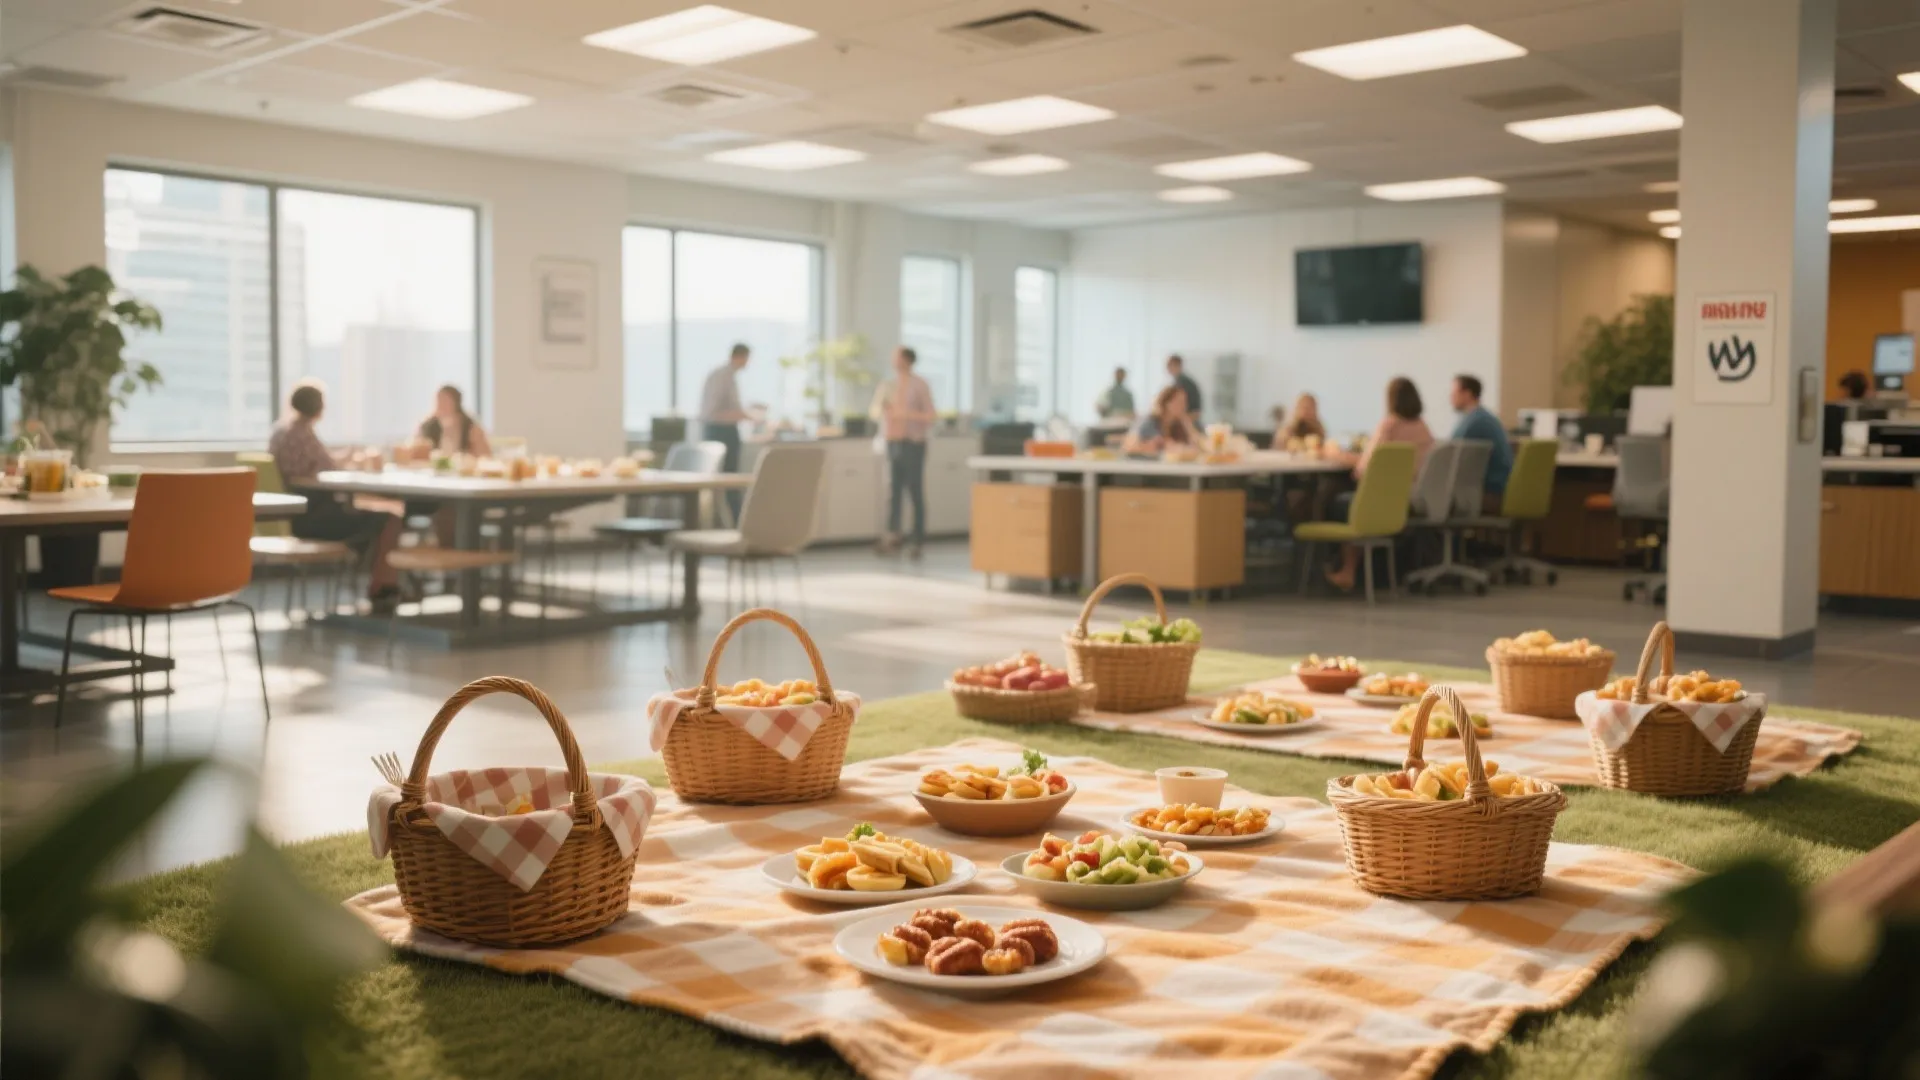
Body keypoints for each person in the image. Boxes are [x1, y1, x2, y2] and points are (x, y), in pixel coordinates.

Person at [267, 380, 404, 609]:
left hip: (293, 515)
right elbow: (330, 467)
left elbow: (317, 465)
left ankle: (377, 582)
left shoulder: (281, 430)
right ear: (319, 408)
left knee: (374, 513)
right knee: (390, 518)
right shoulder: (302, 432)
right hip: (313, 516)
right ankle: (382, 588)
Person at [1320, 376, 1434, 592]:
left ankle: (1346, 570)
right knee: (1354, 503)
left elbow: (1364, 469)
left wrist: (1338, 455)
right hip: (1405, 501)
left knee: (1337, 503)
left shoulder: (1389, 425)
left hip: (1379, 503)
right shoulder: (1423, 428)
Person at [872, 345, 937, 558]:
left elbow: (930, 416)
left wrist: (906, 414)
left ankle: (917, 539)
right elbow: (876, 411)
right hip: (893, 442)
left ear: (908, 360)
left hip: (913, 443)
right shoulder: (888, 385)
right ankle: (893, 536)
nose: (894, 360)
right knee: (893, 492)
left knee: (915, 491)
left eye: (897, 357)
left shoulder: (920, 385)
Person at [700, 343, 753, 517]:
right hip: (720, 432)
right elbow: (712, 413)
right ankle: (735, 521)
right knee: (727, 480)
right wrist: (745, 415)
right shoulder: (723, 376)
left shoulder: (727, 375)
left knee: (729, 480)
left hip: (725, 430)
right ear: (741, 356)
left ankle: (734, 520)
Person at [1448, 374, 1513, 505]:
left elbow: (1449, 457)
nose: (1450, 398)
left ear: (1467, 394)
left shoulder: (1473, 422)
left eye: (1454, 393)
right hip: (1501, 487)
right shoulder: (1484, 417)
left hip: (1490, 492)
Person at [1120, 385, 1198, 456]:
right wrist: (1149, 446)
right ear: (1166, 403)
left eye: (1184, 402)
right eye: (1179, 402)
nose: (1184, 406)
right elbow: (1128, 446)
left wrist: (1188, 425)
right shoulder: (1149, 421)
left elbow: (1196, 447)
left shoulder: (1179, 424)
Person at [415, 385, 491, 458]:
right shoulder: (428, 425)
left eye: (446, 400)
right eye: (439, 400)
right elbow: (416, 449)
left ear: (456, 403)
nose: (441, 404)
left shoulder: (470, 427)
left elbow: (485, 455)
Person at [1166, 354, 1202, 419]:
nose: (1167, 368)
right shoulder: (1182, 381)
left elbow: (1195, 410)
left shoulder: (1182, 383)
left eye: (1169, 365)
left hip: (1188, 419)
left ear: (1177, 365)